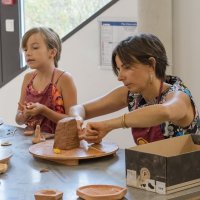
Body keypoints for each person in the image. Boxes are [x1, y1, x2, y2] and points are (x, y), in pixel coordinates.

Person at [68, 33, 199, 145]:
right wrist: (77, 119)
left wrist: (108, 125)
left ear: (151, 64)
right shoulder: (132, 95)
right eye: (119, 69)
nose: (120, 77)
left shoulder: (180, 95)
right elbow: (79, 109)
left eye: (127, 67)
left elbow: (164, 112)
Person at [15, 27, 77, 135]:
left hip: (58, 144)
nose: (28, 53)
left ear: (52, 52)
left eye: (35, 47)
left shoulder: (64, 79)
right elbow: (18, 120)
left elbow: (73, 121)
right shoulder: (28, 78)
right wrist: (25, 114)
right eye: (25, 49)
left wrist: (44, 110)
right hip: (31, 142)